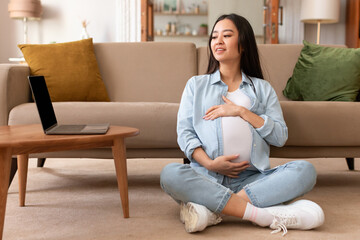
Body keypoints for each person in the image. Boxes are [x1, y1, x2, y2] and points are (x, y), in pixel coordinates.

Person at [160, 14, 324, 236]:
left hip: (252, 178)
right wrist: (209, 164)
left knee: (305, 171)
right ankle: (262, 215)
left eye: (227, 35)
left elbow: (280, 137)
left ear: (243, 44)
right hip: (207, 177)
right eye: (214, 36)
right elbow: (185, 134)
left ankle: (211, 211)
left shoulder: (262, 89)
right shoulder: (196, 86)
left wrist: (242, 112)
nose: (218, 41)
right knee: (170, 174)